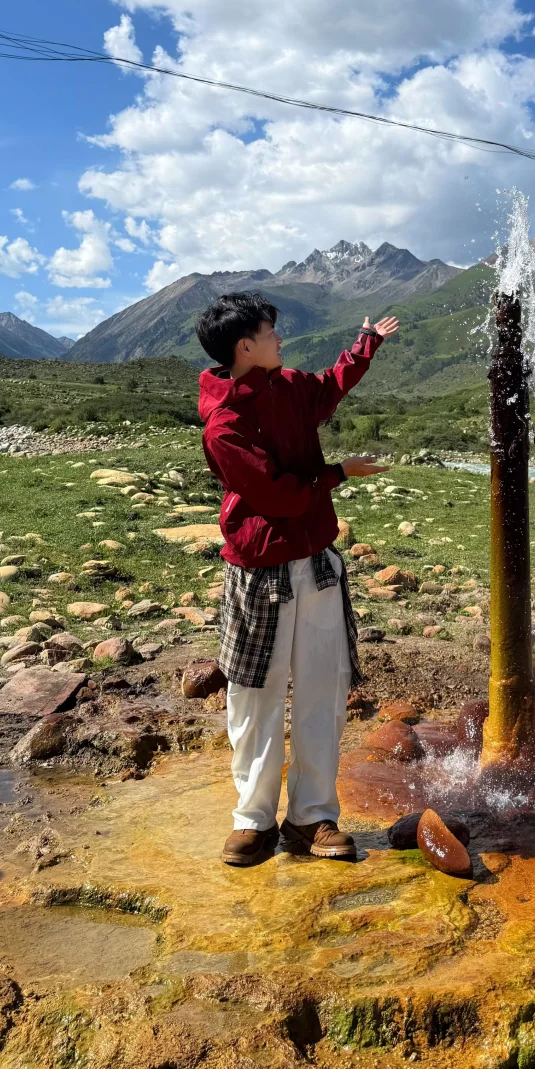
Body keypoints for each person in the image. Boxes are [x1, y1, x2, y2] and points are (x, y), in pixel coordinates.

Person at [196, 291, 399, 867]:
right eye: (270, 332)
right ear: (245, 346)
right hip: (262, 567)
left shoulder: (287, 388)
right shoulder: (225, 422)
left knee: (322, 689)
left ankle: (311, 818)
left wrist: (366, 345)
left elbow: (330, 386)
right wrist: (338, 472)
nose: (279, 339)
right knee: (255, 694)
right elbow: (275, 496)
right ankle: (253, 819)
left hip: (314, 558)